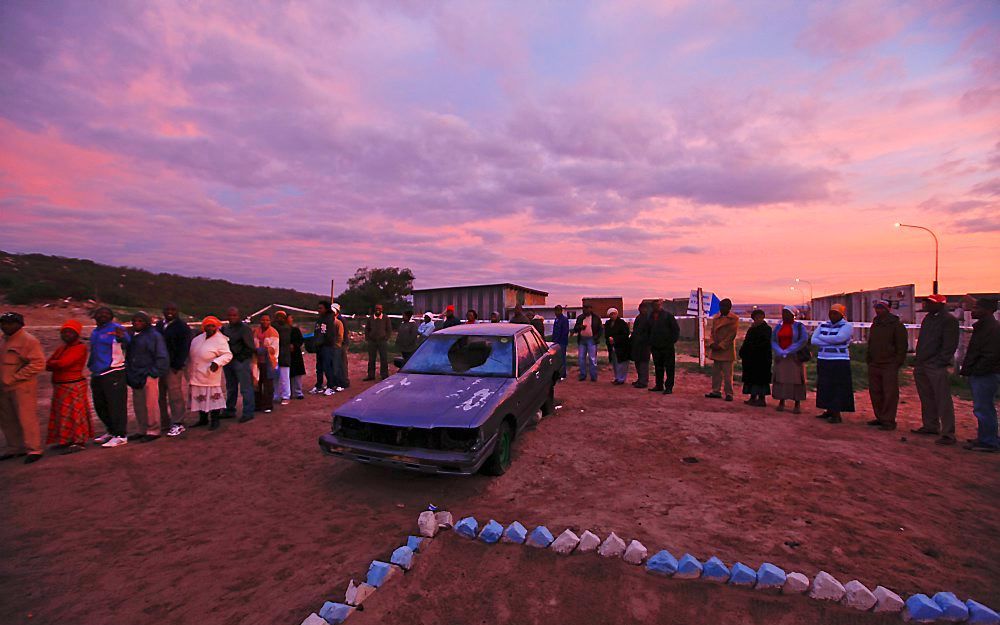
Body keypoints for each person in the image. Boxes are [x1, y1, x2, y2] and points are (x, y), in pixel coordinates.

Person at [912, 294, 960, 444]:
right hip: (922, 363)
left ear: (940, 304)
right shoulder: (928, 319)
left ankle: (948, 433)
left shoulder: (948, 320)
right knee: (926, 396)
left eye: (930, 303)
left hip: (935, 365)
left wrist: (940, 361)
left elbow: (950, 344)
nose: (926, 305)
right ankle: (930, 425)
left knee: (942, 399)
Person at [0, 312, 45, 463]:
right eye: (4, 322)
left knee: (27, 418)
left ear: (20, 324)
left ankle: (34, 449)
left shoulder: (28, 341)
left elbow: (38, 364)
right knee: (8, 419)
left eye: (10, 323)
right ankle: (15, 448)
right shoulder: (3, 340)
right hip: (4, 388)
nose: (6, 326)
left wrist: (15, 378)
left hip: (22, 387)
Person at [45, 319, 92, 452]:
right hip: (61, 386)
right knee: (63, 414)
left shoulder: (80, 348)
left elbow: (63, 363)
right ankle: (66, 439)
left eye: (70, 332)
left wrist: (55, 363)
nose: (66, 335)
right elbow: (48, 364)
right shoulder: (62, 348)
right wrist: (55, 363)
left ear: (77, 334)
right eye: (64, 332)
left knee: (75, 414)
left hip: (73, 385)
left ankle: (79, 440)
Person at [960, 298, 1000, 452]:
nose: (973, 310)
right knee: (984, 408)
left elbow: (990, 354)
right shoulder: (985, 326)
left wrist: (976, 370)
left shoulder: (991, 328)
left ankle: (988, 442)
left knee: (983, 408)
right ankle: (987, 437)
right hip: (983, 372)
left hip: (985, 374)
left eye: (977, 307)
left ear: (988, 310)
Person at [88, 306, 130, 447]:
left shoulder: (116, 328)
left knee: (116, 405)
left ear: (111, 316)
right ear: (95, 316)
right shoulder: (95, 331)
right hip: (97, 373)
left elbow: (128, 341)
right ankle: (111, 431)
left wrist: (121, 336)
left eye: (106, 313)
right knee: (100, 405)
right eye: (100, 313)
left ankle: (121, 435)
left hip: (113, 371)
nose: (103, 315)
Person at [125, 311, 170, 442]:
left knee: (151, 404)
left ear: (147, 322)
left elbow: (162, 356)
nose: (137, 323)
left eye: (141, 321)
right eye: (135, 321)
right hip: (135, 374)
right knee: (138, 404)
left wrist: (153, 372)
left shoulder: (154, 336)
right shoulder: (132, 335)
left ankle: (153, 430)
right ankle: (141, 429)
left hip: (149, 373)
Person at [865, 300, 908, 430]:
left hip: (889, 364)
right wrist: (869, 358)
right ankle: (880, 417)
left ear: (888, 309)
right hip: (874, 363)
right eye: (877, 308)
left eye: (881, 308)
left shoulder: (896, 325)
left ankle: (889, 420)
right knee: (876, 392)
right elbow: (871, 342)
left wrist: (897, 362)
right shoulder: (875, 324)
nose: (878, 310)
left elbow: (902, 346)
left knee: (889, 393)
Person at [187, 316, 233, 430]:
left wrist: (217, 362)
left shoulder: (220, 340)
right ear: (204, 327)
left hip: (210, 374)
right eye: (208, 325)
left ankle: (215, 420)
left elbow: (228, 355)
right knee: (200, 397)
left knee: (213, 398)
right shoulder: (197, 339)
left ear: (217, 327)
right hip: (197, 373)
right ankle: (203, 419)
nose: (210, 328)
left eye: (213, 326)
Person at [812, 304, 854, 424]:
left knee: (838, 387)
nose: (832, 315)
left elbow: (840, 338)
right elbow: (813, 340)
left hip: (839, 360)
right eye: (831, 313)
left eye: (835, 313)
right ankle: (828, 410)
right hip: (823, 358)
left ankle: (837, 413)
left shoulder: (847, 326)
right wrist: (830, 340)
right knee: (825, 386)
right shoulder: (823, 325)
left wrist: (822, 337)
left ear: (842, 314)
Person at [155, 302, 191, 436]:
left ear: (177, 311)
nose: (170, 311)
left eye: (173, 309)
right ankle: (164, 422)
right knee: (160, 396)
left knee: (175, 395)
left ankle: (178, 422)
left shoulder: (182, 327)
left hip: (173, 366)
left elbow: (184, 347)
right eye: (167, 309)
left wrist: (177, 364)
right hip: (159, 365)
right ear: (163, 311)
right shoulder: (159, 325)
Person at [771, 306, 809, 414]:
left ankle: (797, 404)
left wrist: (789, 350)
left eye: (786, 313)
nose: (784, 315)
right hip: (781, 357)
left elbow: (803, 340)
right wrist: (779, 351)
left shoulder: (799, 326)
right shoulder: (778, 327)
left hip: (794, 357)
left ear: (793, 314)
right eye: (783, 313)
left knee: (796, 380)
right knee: (781, 379)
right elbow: (773, 340)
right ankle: (781, 401)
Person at [222, 307, 256, 422]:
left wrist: (241, 357)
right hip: (228, 360)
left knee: (245, 388)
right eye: (230, 315)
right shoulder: (225, 328)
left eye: (234, 315)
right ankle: (230, 410)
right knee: (231, 387)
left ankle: (248, 412)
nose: (232, 317)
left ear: (239, 316)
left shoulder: (245, 329)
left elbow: (251, 347)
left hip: (240, 361)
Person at [705, 298, 739, 402]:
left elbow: (731, 335)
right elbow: (712, 332)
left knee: (728, 374)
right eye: (721, 306)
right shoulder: (716, 318)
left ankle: (729, 393)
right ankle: (716, 391)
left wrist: (721, 345)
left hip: (726, 350)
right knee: (716, 373)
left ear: (729, 308)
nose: (722, 308)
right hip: (716, 348)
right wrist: (711, 343)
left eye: (725, 307)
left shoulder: (734, 319)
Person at [739, 309, 772, 407]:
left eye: (759, 317)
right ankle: (752, 397)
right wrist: (743, 352)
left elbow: (765, 343)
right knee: (751, 378)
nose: (757, 319)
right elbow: (746, 342)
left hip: (762, 359)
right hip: (751, 359)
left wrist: (752, 348)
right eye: (756, 318)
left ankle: (762, 399)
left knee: (761, 379)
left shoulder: (767, 329)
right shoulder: (751, 329)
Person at [649, 299, 680, 394]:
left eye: (658, 305)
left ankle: (669, 387)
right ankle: (659, 385)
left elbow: (676, 330)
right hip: (655, 347)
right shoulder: (650, 317)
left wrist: (671, 341)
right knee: (658, 367)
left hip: (667, 347)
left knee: (669, 367)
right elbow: (648, 330)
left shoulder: (668, 316)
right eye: (655, 305)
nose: (657, 307)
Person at [254, 314, 279, 413]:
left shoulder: (274, 333)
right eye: (263, 320)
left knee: (268, 384)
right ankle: (258, 404)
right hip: (256, 362)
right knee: (256, 383)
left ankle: (268, 405)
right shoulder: (256, 331)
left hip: (269, 362)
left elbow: (273, 349)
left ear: (270, 321)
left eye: (267, 320)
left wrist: (258, 350)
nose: (265, 322)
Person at [311, 301, 338, 394]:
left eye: (321, 308)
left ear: (326, 309)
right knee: (319, 367)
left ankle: (331, 386)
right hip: (319, 346)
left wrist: (325, 343)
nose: (319, 310)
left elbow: (329, 334)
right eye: (318, 308)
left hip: (327, 347)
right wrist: (316, 343)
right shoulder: (320, 319)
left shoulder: (329, 319)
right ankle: (319, 385)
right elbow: (317, 332)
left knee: (327, 366)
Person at [572, 302, 602, 382]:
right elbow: (575, 329)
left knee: (592, 359)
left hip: (592, 340)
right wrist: (580, 327)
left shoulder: (596, 318)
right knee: (581, 358)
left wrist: (596, 337)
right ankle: (583, 375)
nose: (587, 310)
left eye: (588, 308)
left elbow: (600, 329)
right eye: (585, 308)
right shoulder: (580, 318)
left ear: (591, 309)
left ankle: (593, 376)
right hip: (582, 340)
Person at [364, 304, 392, 380]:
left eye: (379, 308)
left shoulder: (386, 318)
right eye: (376, 308)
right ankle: (371, 375)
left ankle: (384, 375)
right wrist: (368, 338)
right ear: (374, 309)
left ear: (382, 309)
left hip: (382, 341)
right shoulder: (370, 318)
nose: (378, 310)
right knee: (371, 359)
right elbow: (367, 329)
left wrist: (386, 338)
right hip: (372, 341)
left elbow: (389, 330)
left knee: (383, 358)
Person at [604, 308, 631, 385]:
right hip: (612, 346)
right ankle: (617, 377)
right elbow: (606, 334)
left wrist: (615, 339)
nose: (613, 316)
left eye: (614, 314)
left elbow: (625, 334)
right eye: (611, 314)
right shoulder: (608, 323)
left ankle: (621, 379)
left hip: (622, 346)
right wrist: (609, 339)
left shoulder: (622, 323)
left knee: (622, 363)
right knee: (615, 362)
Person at [272, 310, 292, 406]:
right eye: (278, 317)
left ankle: (286, 396)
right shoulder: (272, 328)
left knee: (284, 378)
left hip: (284, 355)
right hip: (274, 356)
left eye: (282, 317)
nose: (280, 319)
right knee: (274, 377)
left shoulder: (287, 328)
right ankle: (275, 395)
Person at [630, 302, 652, 389]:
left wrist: (644, 340)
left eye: (644, 308)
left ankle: (643, 381)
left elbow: (649, 332)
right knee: (638, 362)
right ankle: (640, 379)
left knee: (643, 363)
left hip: (644, 345)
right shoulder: (639, 317)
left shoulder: (648, 318)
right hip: (637, 344)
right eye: (641, 308)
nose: (642, 310)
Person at [288, 315, 306, 399]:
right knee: (288, 374)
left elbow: (300, 340)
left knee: (297, 374)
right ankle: (289, 392)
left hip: (296, 354)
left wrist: (294, 346)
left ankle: (298, 392)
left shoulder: (295, 330)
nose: (291, 320)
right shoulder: (281, 330)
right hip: (286, 354)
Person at [552, 305, 570, 379]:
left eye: (558, 310)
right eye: (555, 311)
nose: (556, 312)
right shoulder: (556, 319)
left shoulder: (564, 319)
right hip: (555, 342)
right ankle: (558, 373)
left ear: (561, 311)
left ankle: (563, 374)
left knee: (562, 358)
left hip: (562, 342)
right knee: (556, 359)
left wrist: (559, 340)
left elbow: (565, 331)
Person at [335, 303, 350, 390]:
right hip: (338, 344)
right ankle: (338, 381)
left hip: (342, 344)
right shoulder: (334, 319)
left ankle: (344, 381)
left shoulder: (341, 320)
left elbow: (343, 334)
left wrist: (342, 343)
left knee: (342, 363)